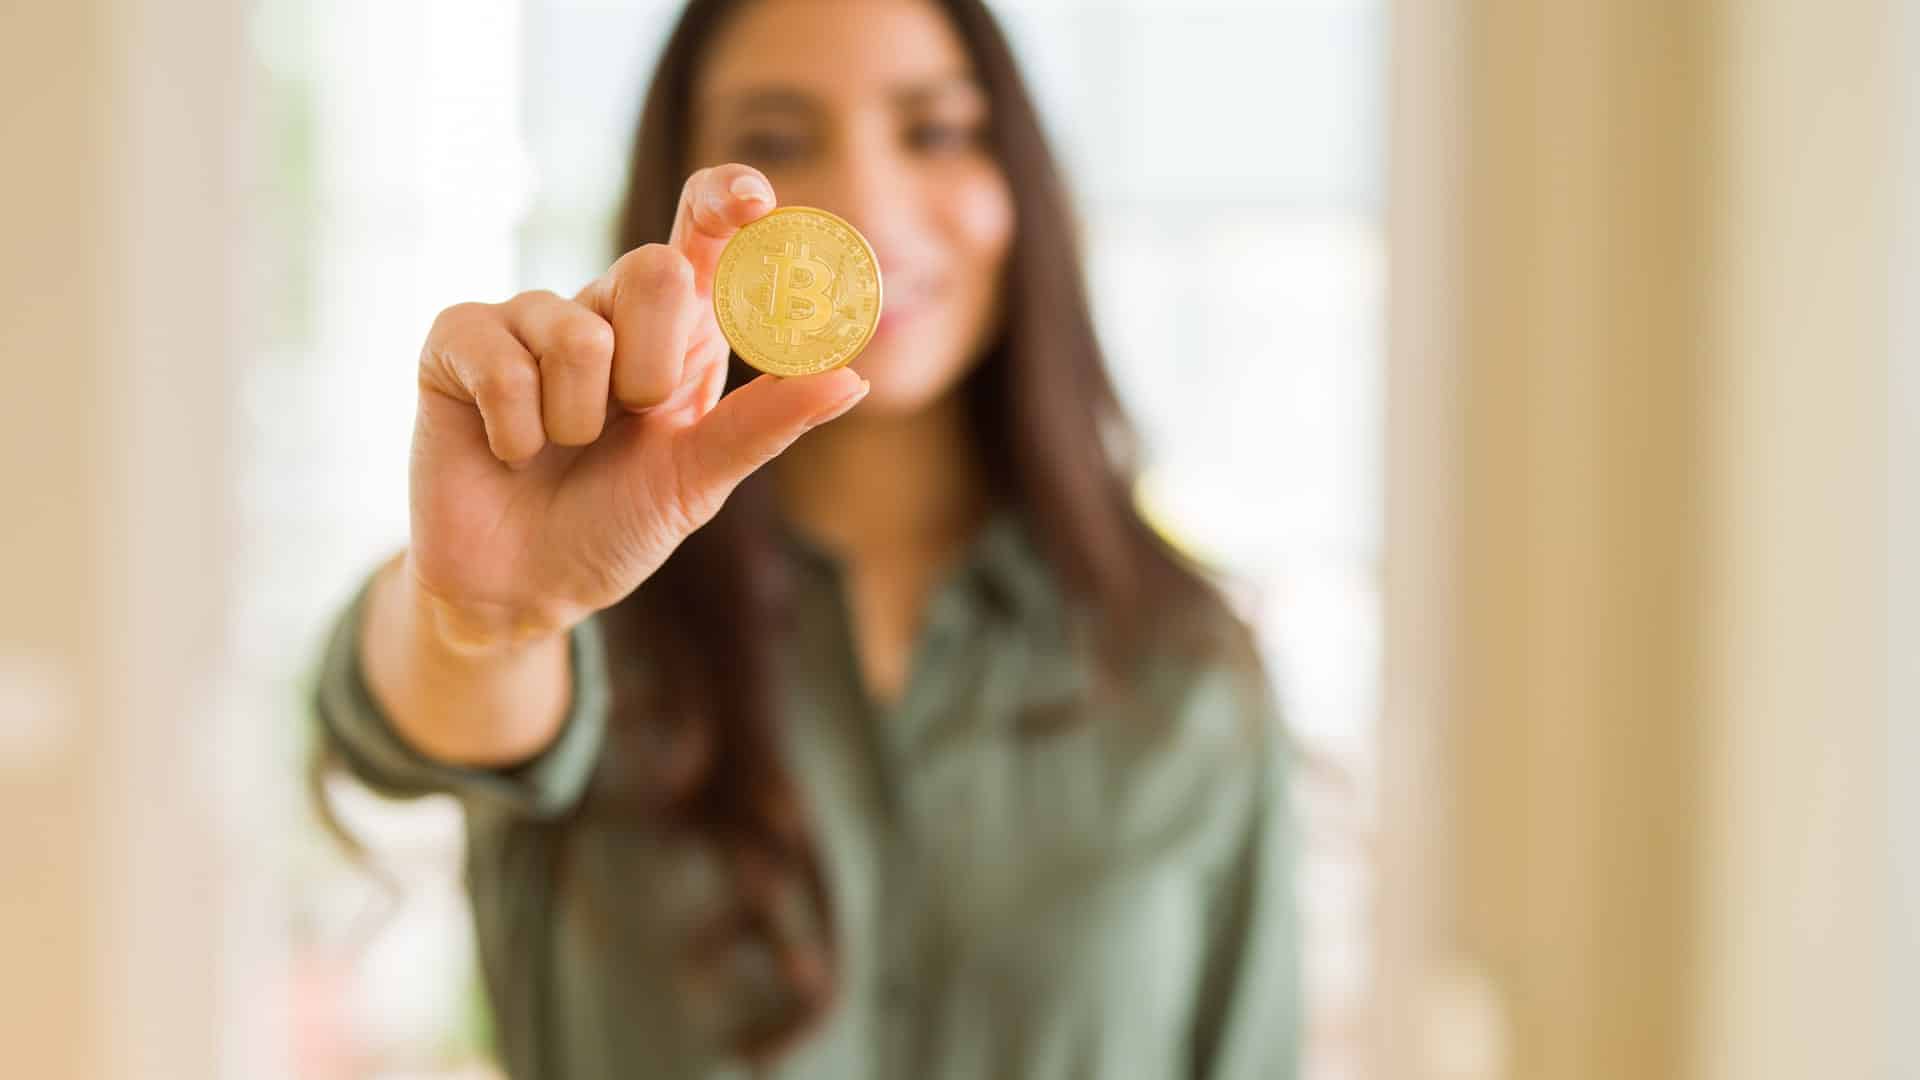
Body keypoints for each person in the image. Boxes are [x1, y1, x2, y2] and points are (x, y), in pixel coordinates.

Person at [310, 0, 1300, 1076]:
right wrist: (488, 619)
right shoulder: (588, 606)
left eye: (935, 130)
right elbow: (403, 716)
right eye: (775, 142)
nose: (866, 207)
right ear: (681, 188)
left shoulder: (1187, 669)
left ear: (1018, 184)